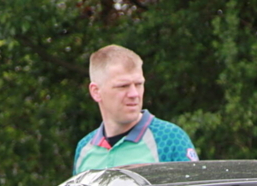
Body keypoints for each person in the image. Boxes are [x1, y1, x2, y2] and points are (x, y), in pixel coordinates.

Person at [73, 45, 199, 175]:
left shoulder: (169, 138)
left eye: (138, 84)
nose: (134, 94)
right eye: (123, 86)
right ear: (96, 92)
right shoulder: (84, 149)